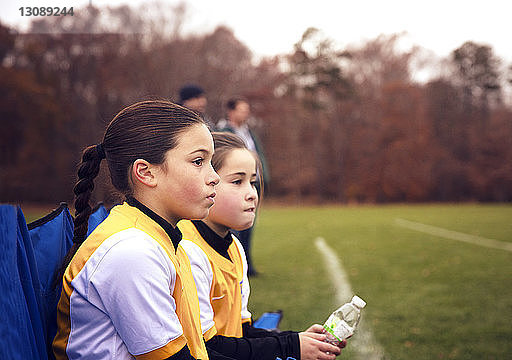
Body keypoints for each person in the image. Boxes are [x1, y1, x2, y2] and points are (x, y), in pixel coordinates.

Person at [52, 100, 233, 360]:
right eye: (198, 162)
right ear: (146, 173)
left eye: (210, 162)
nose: (214, 176)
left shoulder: (161, 238)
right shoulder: (130, 251)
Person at [178, 132, 344, 360]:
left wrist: (300, 340)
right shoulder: (188, 250)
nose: (251, 194)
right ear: (205, 181)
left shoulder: (235, 247)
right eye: (237, 181)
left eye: (253, 182)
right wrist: (290, 346)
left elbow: (241, 331)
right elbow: (205, 347)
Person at [218, 96, 269, 276]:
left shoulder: (249, 132)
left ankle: (246, 264)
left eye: (247, 109)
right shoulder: (223, 131)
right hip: (239, 184)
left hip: (251, 180)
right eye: (242, 109)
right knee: (233, 227)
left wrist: (260, 179)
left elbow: (258, 155)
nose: (246, 113)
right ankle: (232, 265)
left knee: (248, 225)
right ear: (231, 111)